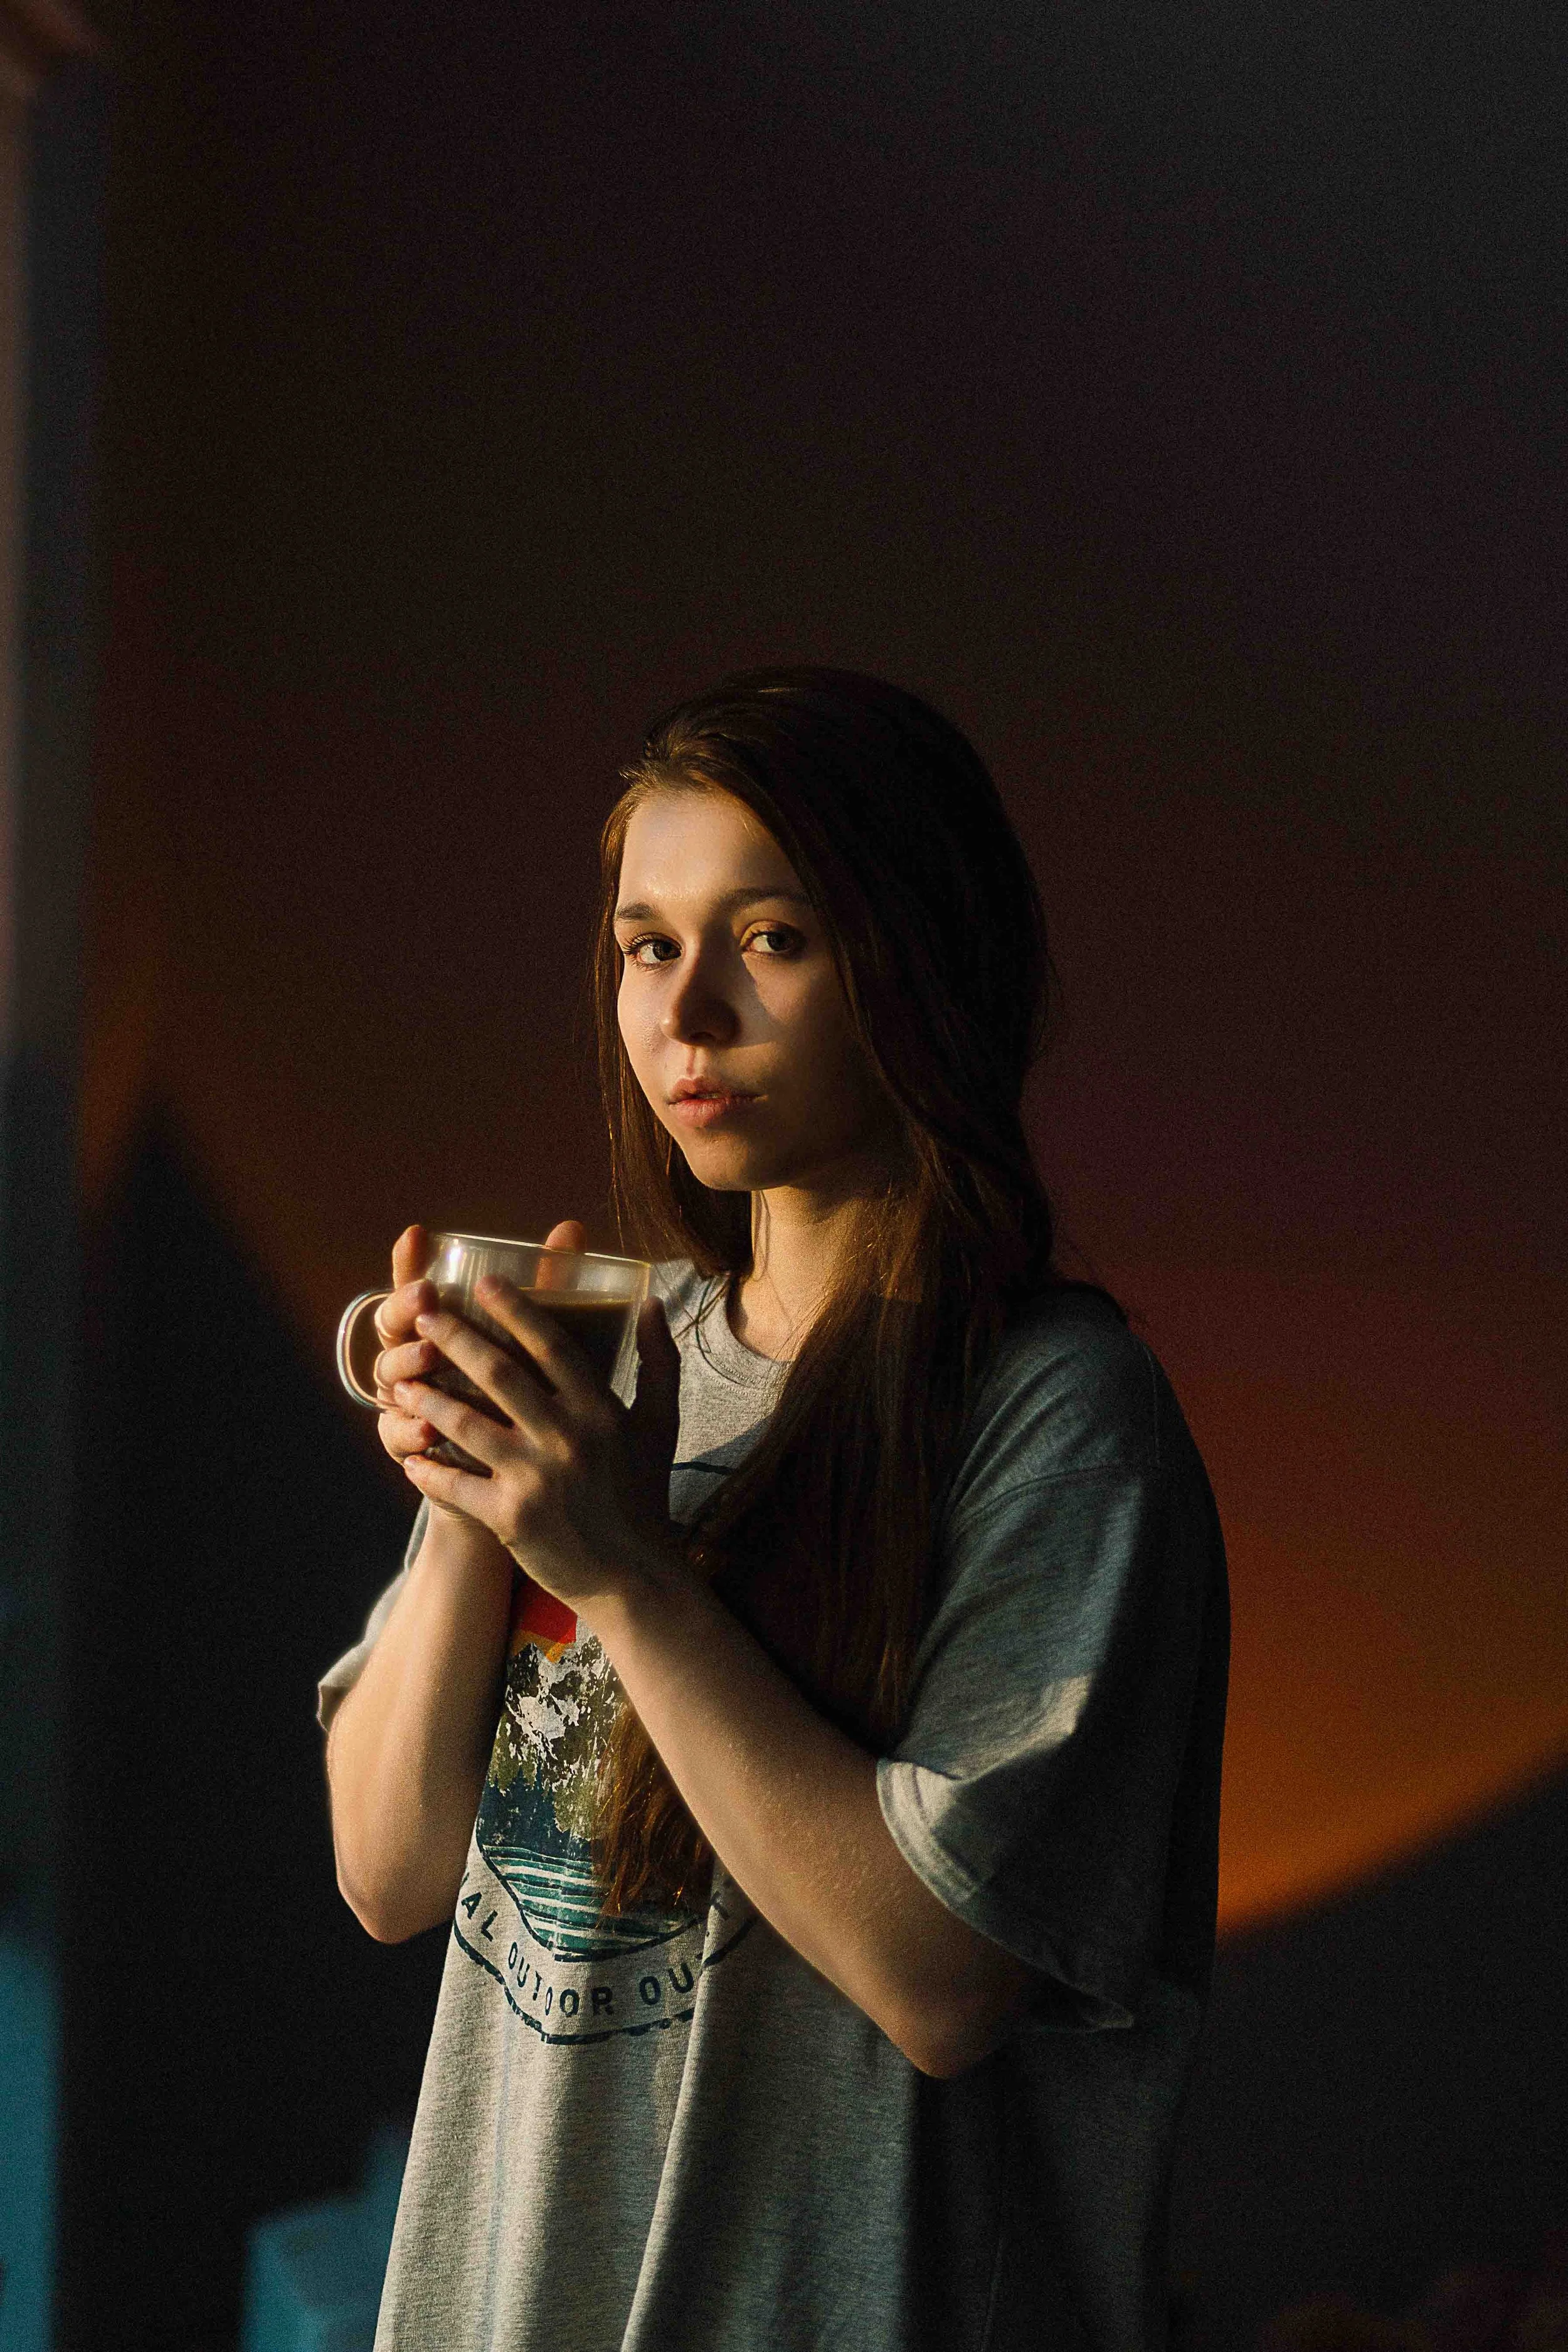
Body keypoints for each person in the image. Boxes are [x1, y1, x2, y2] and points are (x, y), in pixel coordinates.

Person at [318, 667, 1230, 2352]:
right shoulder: (617, 1354)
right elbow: (386, 1870)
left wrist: (619, 1567)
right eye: (645, 943)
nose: (688, 1010)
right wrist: (469, 1492)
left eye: (772, 937)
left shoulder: (1055, 1414)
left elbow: (943, 1979)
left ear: (918, 963)